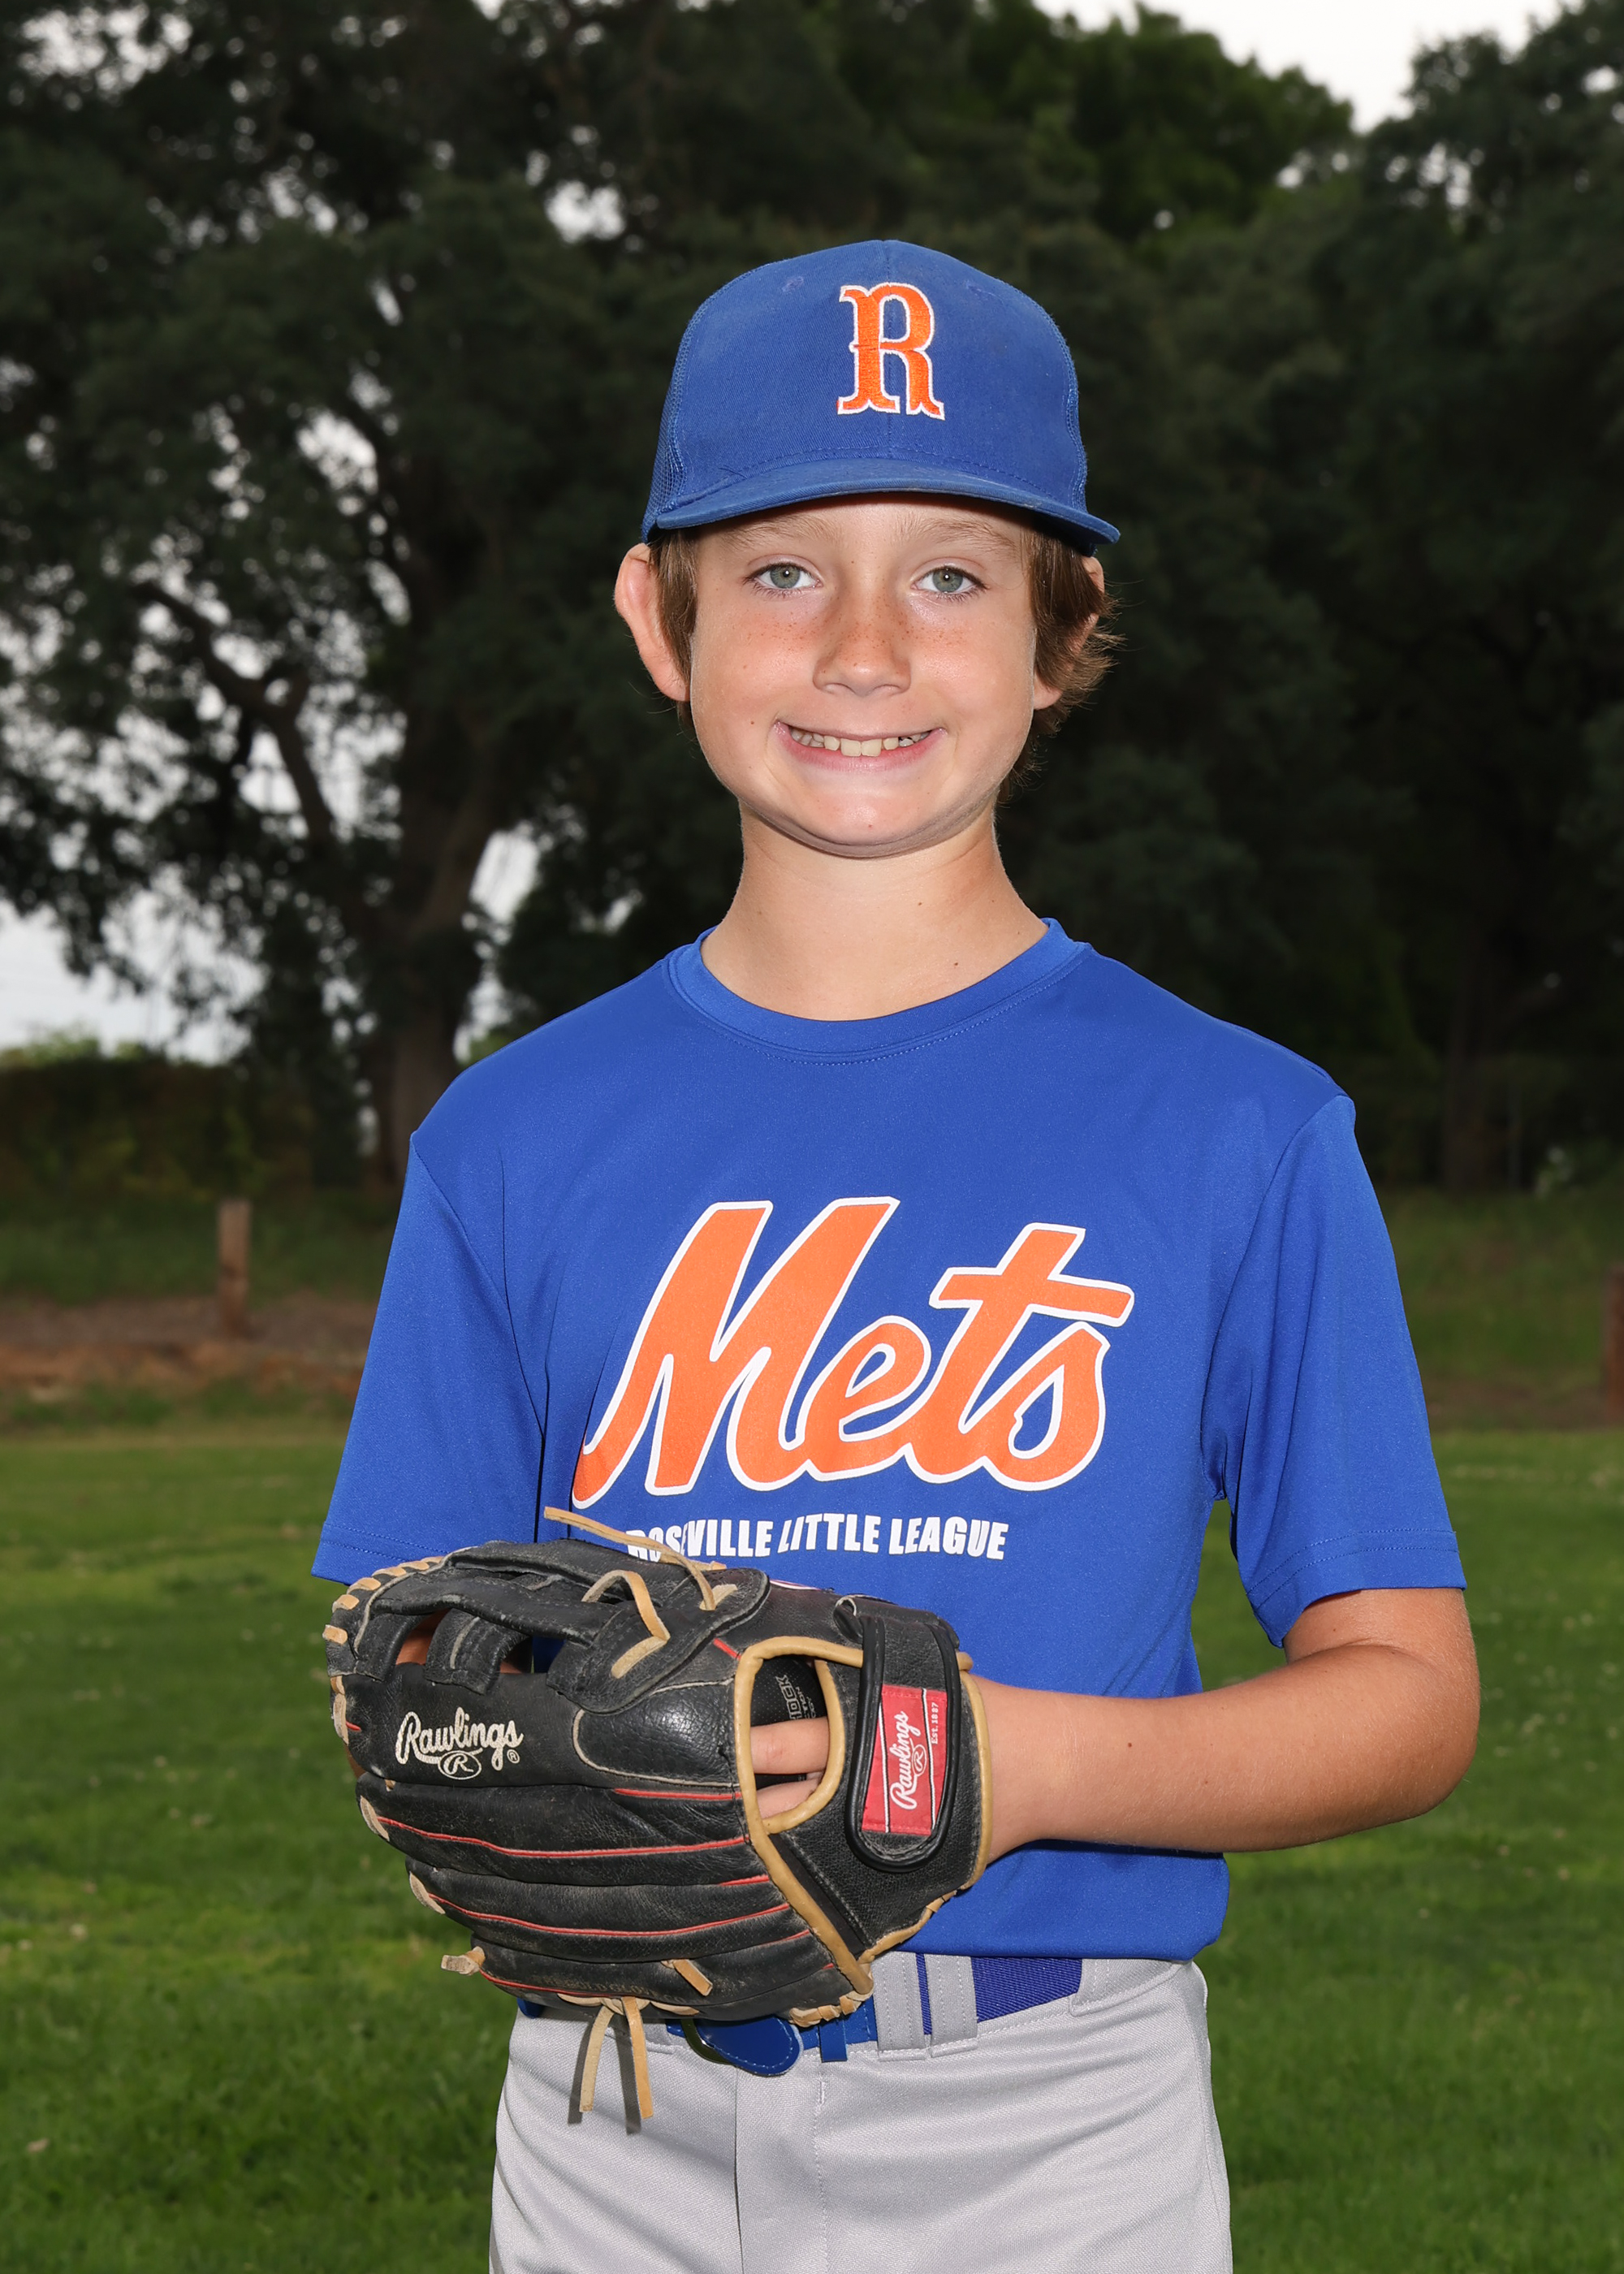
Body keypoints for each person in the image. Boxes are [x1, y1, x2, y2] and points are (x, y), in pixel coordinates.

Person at [313, 240, 1478, 2274]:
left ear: (1059, 634)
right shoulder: (511, 1134)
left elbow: (1405, 1698)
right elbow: (402, 1652)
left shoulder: (1235, 1125)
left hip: (1047, 2119)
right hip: (608, 2102)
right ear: (658, 619)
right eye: (781, 568)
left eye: (949, 573)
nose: (862, 647)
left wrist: (1003, 1761)